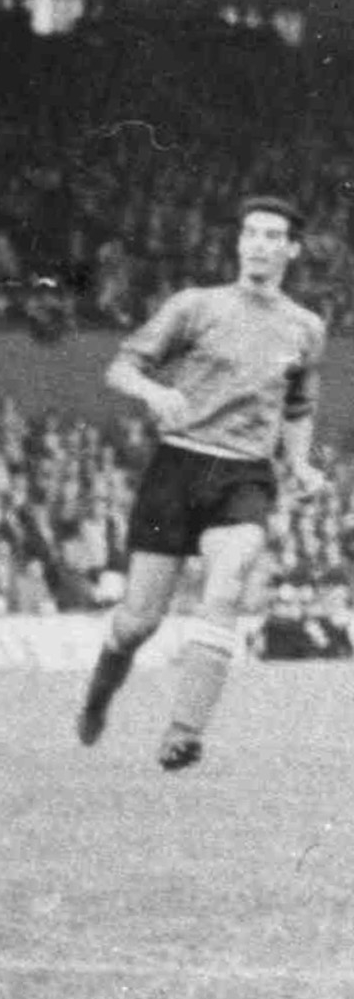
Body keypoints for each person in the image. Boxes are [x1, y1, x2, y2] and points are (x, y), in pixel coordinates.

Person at [77, 193, 328, 771]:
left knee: (229, 581)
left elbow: (297, 408)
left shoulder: (305, 328)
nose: (260, 244)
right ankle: (100, 691)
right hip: (179, 465)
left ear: (291, 249)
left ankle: (184, 732)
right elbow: (121, 367)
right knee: (138, 620)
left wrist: (301, 463)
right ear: (239, 243)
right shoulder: (195, 306)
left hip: (243, 474)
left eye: (272, 236)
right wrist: (154, 391)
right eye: (251, 233)